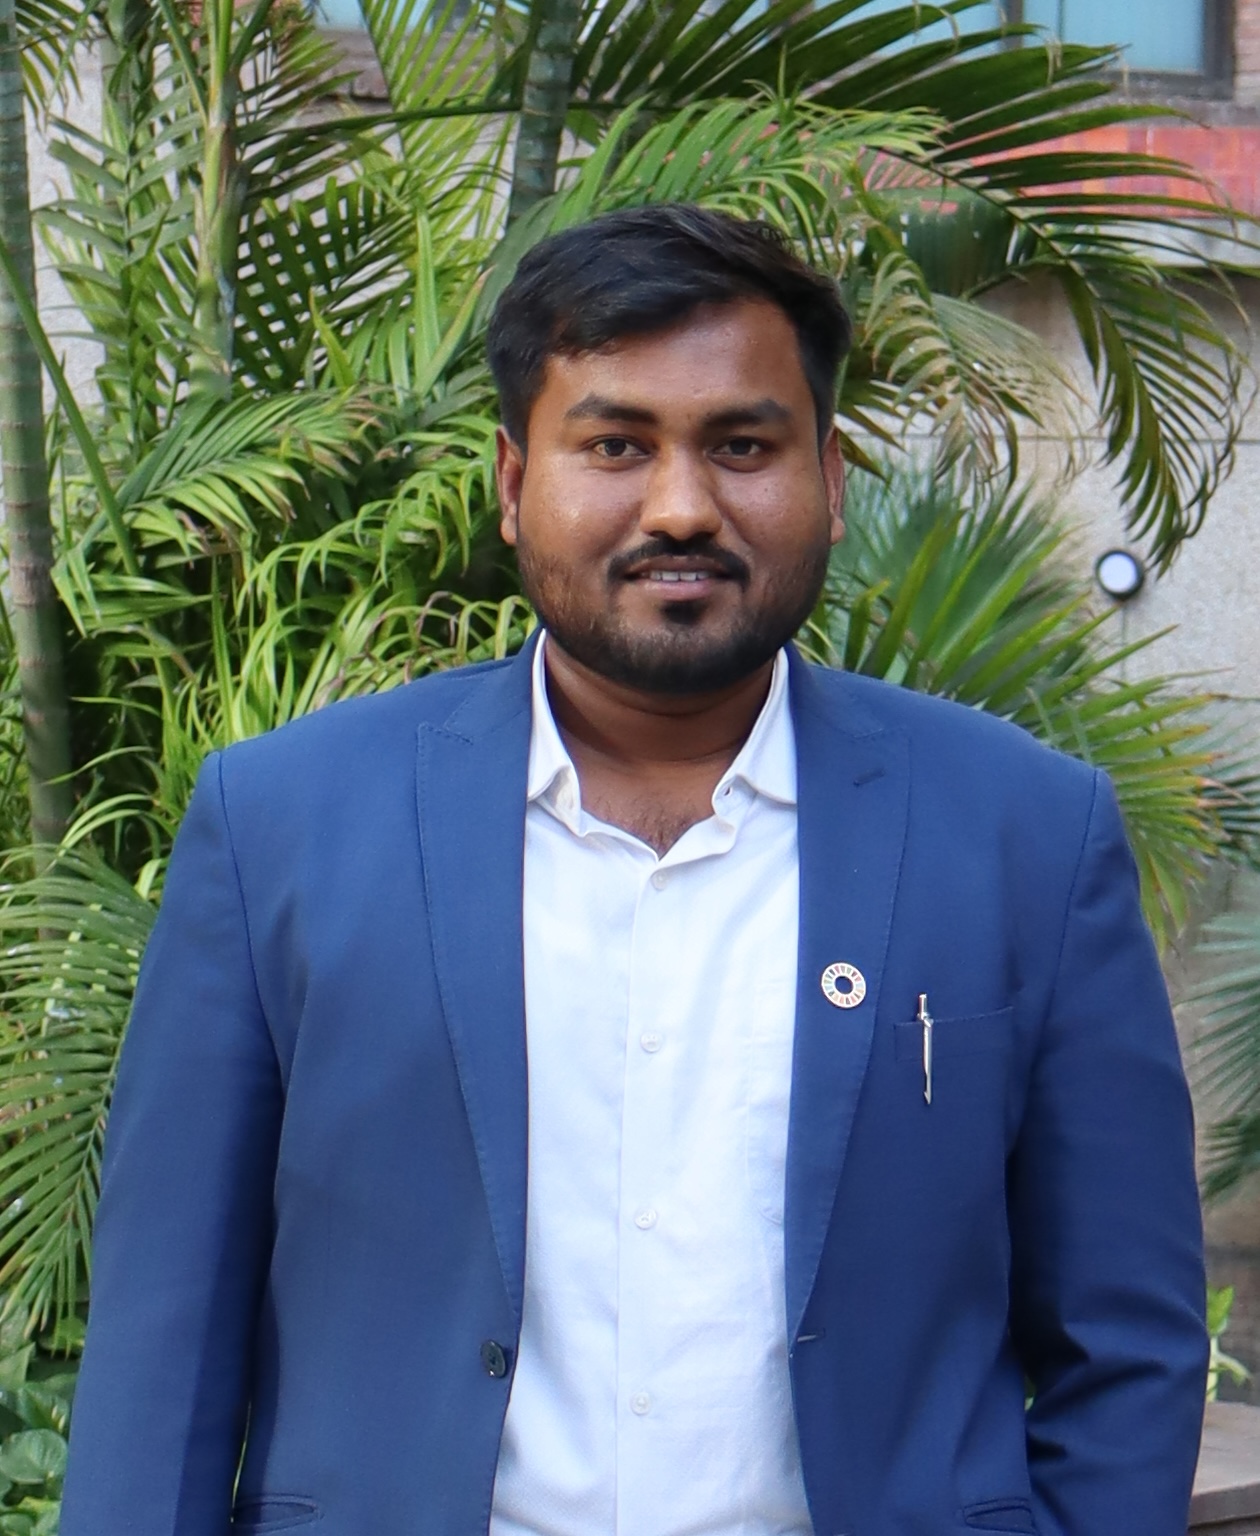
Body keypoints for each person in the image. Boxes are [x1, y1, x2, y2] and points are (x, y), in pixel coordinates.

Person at [61, 204, 1207, 1536]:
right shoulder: (285, 827)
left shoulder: (1024, 834)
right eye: (615, 445)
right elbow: (164, 1343)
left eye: (742, 446)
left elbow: (1126, 1339)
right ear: (512, 482)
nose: (681, 507)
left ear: (831, 479)